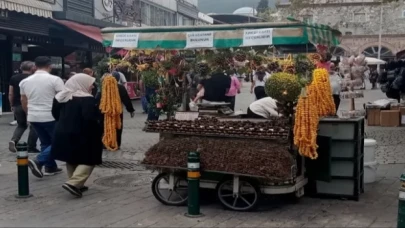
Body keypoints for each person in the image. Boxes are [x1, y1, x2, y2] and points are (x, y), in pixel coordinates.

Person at [51, 74, 102, 197]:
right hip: (82, 133)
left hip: (62, 131)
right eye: (90, 84)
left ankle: (77, 184)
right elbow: (90, 118)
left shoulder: (61, 96)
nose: (91, 87)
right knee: (91, 158)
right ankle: (73, 183)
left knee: (72, 157)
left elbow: (55, 113)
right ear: (81, 83)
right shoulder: (87, 99)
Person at [20, 56, 64, 178]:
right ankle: (39, 160)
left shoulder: (25, 81)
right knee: (59, 141)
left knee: (45, 142)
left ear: (35, 66)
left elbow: (23, 100)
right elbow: (62, 98)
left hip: (33, 116)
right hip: (50, 115)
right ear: (49, 66)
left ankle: (50, 167)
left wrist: (28, 113)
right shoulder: (55, 80)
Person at [8, 61, 39, 153]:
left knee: (21, 125)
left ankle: (14, 141)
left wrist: (12, 104)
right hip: (31, 104)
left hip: (17, 104)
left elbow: (10, 93)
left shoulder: (14, 78)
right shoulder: (34, 78)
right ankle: (31, 146)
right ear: (32, 68)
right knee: (34, 126)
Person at [98, 72, 135, 149]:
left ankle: (104, 143)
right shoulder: (121, 87)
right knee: (117, 127)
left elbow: (97, 99)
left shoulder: (103, 87)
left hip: (104, 112)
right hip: (117, 112)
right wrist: (130, 110)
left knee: (104, 126)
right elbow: (126, 100)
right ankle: (116, 143)